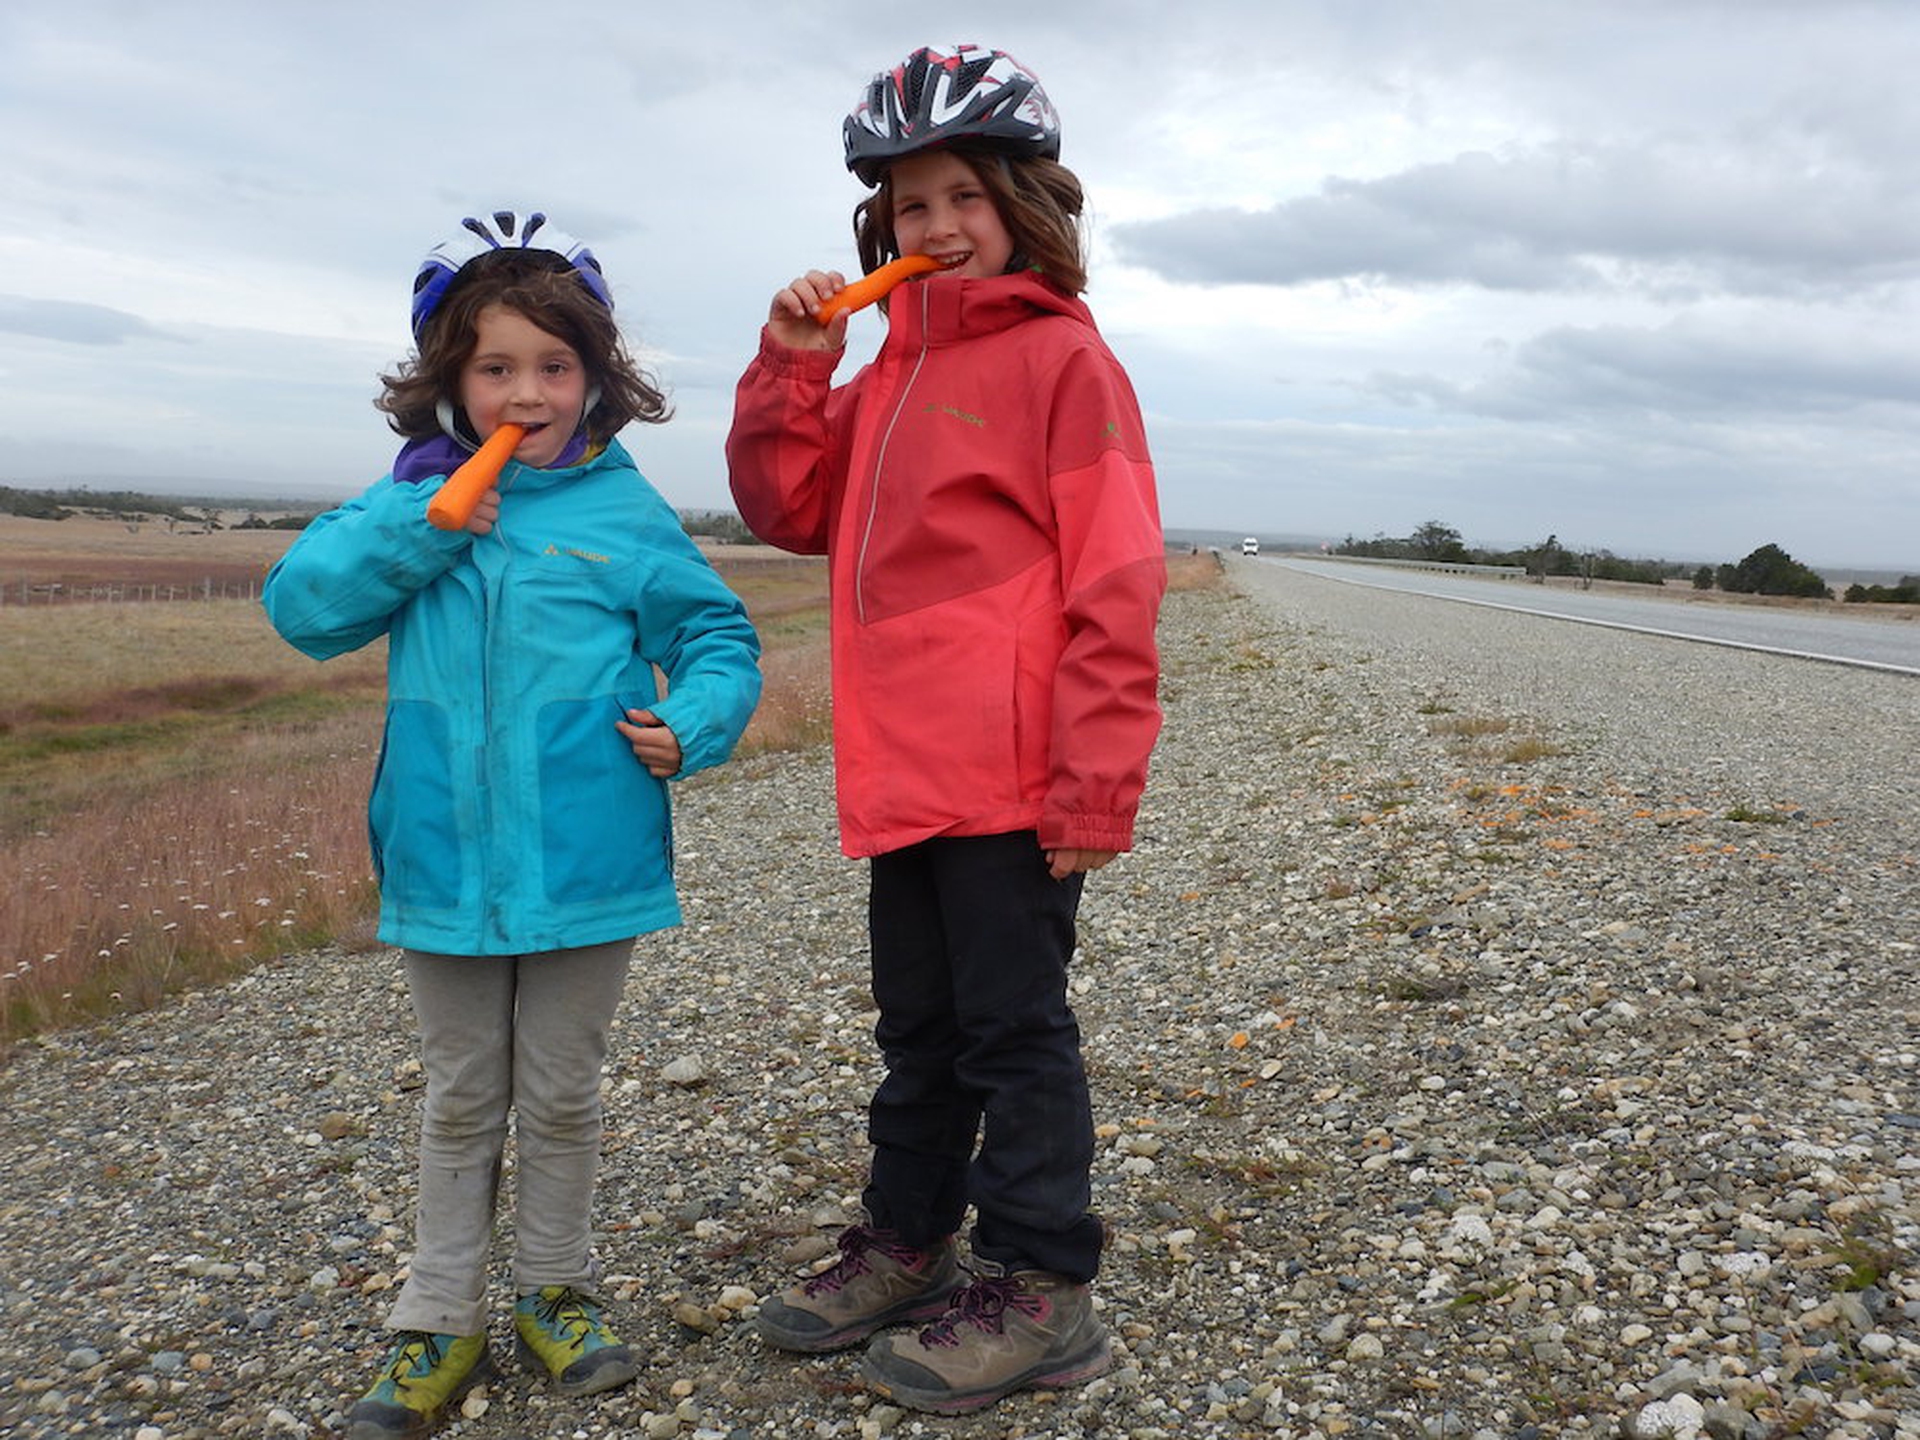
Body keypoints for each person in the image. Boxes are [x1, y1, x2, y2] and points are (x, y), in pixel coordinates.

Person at [264, 210, 762, 1440]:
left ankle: (557, 1291)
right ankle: (438, 1315)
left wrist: (692, 721)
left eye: (553, 367)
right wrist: (416, 529)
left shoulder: (622, 509)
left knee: (563, 1090)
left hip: (591, 861)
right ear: (451, 379)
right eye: (495, 368)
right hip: (440, 859)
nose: (525, 394)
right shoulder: (405, 504)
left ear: (595, 379)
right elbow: (304, 613)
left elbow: (718, 635)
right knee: (459, 1093)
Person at [726, 45, 1164, 1416]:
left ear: (1027, 206)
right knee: (918, 1028)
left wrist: (1094, 786)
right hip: (902, 773)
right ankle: (911, 1241)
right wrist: (799, 366)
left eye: (965, 197)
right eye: (910, 207)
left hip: (1014, 780)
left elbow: (1115, 584)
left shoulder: (1064, 363)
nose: (936, 230)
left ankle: (1044, 1285)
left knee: (1014, 1033)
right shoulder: (887, 374)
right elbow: (790, 511)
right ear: (880, 228)